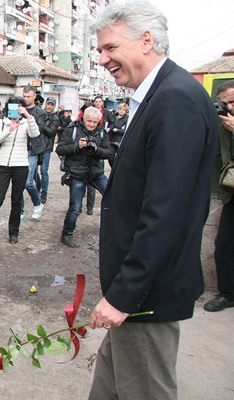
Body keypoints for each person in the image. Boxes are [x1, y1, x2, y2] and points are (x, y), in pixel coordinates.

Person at [88, 2, 219, 399]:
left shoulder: (175, 98)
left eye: (109, 47)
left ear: (146, 40)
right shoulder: (159, 94)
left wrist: (124, 294)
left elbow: (165, 212)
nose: (102, 58)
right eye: (99, 50)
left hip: (146, 296)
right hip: (135, 293)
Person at [0, 96, 40, 244]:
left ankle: (13, 232)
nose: (14, 110)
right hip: (3, 166)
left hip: (21, 165)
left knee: (16, 201)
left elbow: (35, 134)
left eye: (18, 107)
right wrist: (10, 129)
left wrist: (28, 116)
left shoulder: (26, 122)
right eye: (12, 107)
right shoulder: (3, 122)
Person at [56, 107, 114, 248]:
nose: (92, 124)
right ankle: (67, 234)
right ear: (83, 118)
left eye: (95, 122)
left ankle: (113, 231)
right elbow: (60, 149)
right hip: (77, 173)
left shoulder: (101, 132)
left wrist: (96, 150)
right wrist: (77, 146)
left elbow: (109, 152)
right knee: (75, 207)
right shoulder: (73, 129)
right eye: (89, 121)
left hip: (96, 173)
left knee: (113, 199)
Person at [203, 80, 234, 312]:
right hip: (231, 195)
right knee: (223, 245)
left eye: (232, 102)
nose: (228, 108)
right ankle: (227, 293)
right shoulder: (225, 127)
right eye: (224, 103)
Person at [21, 85, 49, 220]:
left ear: (34, 97)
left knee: (27, 181)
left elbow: (39, 130)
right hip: (19, 149)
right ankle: (20, 210)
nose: (26, 99)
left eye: (28, 96)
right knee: (18, 182)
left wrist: (27, 117)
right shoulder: (18, 109)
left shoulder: (40, 112)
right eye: (24, 96)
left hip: (33, 150)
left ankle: (38, 204)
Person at [38, 97, 60, 204]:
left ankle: (44, 193)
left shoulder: (55, 118)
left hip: (47, 147)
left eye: (52, 105)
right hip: (36, 146)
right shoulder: (40, 114)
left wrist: (41, 126)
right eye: (48, 104)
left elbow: (51, 132)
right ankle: (38, 187)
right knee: (32, 171)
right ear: (45, 104)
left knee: (44, 171)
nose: (49, 106)